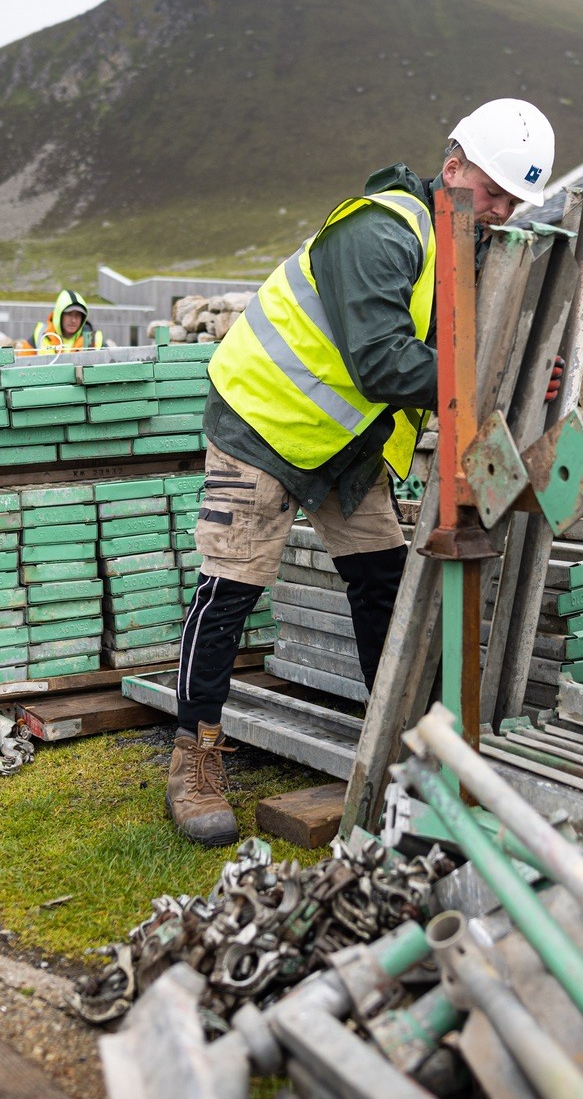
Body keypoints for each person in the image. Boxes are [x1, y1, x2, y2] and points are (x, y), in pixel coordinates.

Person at [166, 99, 556, 845]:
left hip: (343, 448)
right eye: (494, 190)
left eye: (516, 200)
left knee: (383, 581)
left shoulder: (463, 252)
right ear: (452, 169)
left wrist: (521, 372)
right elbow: (383, 364)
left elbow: (459, 351)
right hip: (258, 425)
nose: (503, 210)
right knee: (230, 588)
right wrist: (485, 371)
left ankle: (402, 747)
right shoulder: (382, 233)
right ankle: (195, 756)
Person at [30, 289, 107, 351]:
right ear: (59, 315)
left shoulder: (94, 339)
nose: (73, 320)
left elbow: (111, 366)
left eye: (78, 315)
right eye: (69, 314)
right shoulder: (40, 333)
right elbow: (21, 363)